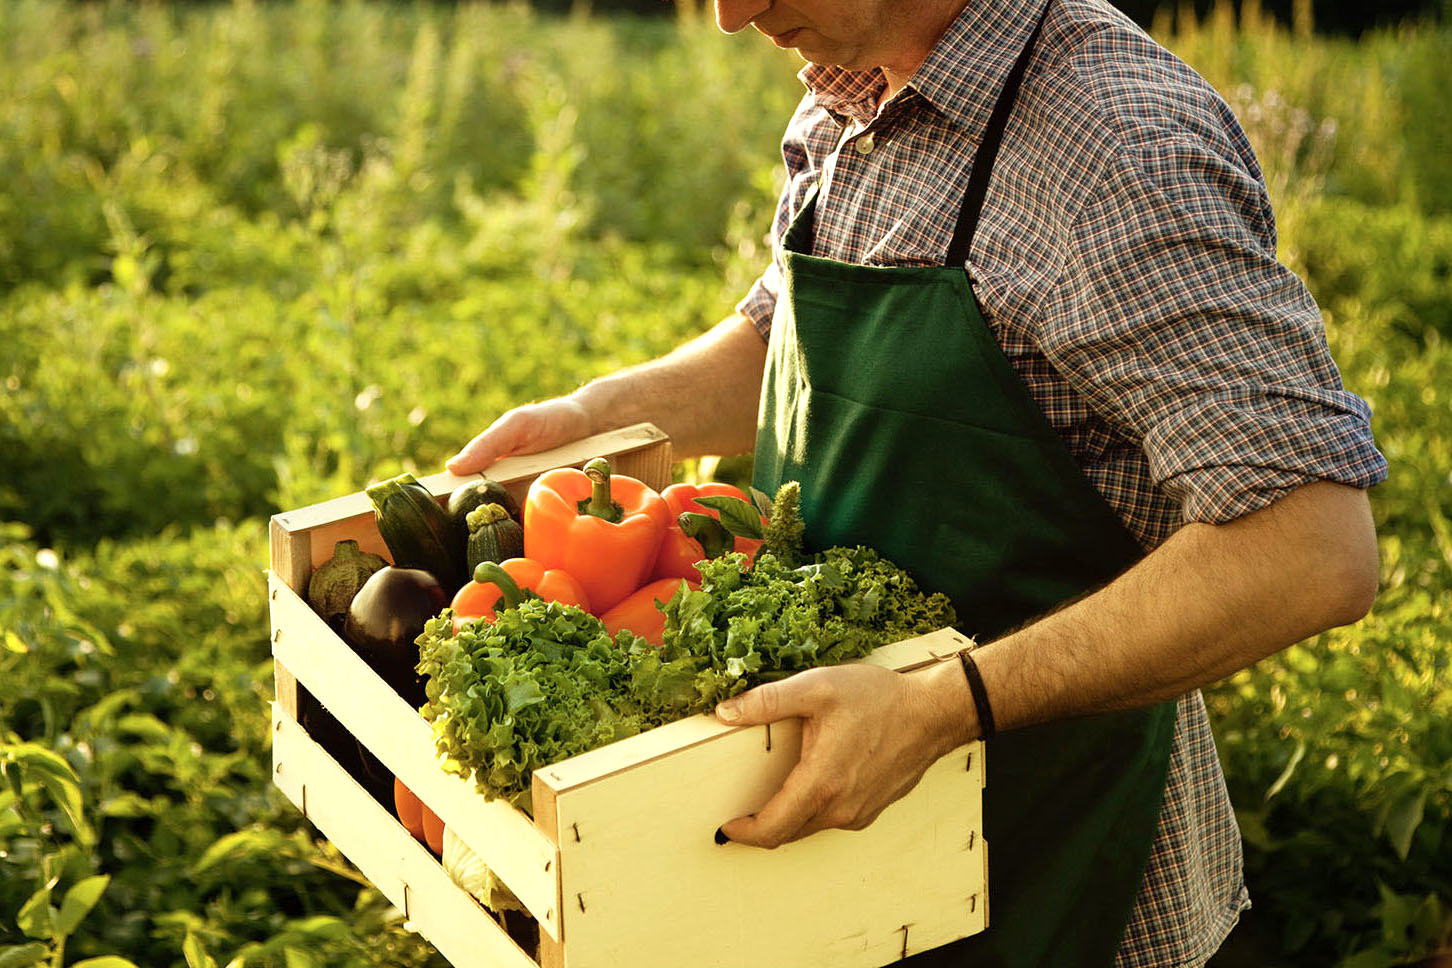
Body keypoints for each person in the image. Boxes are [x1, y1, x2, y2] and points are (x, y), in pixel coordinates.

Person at [446, 0, 1388, 963]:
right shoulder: (845, 90)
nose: (731, 16)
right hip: (839, 860)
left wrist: (945, 706)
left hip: (1053, 857)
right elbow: (789, 340)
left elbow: (1312, 547)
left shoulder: (1113, 146)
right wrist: (601, 413)